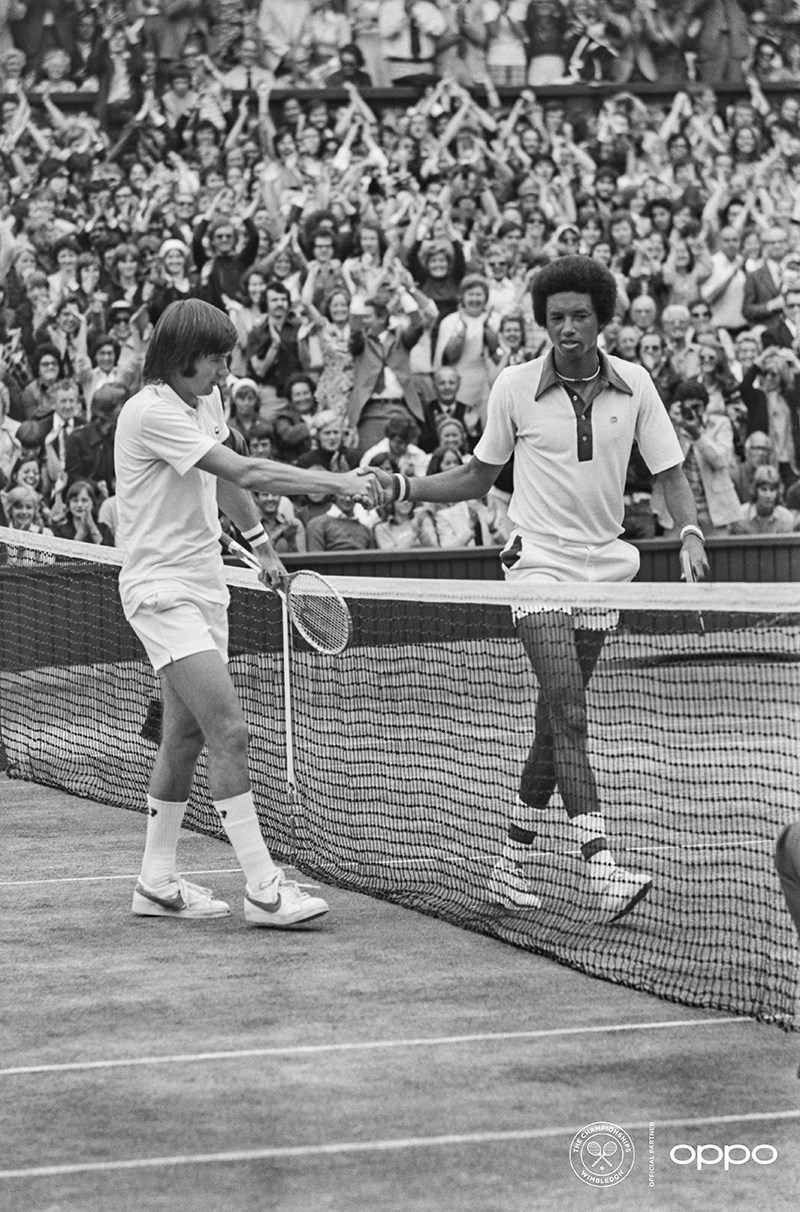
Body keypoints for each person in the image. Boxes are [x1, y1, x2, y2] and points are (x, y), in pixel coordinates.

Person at [365, 256, 707, 923]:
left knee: (557, 719)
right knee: (572, 712)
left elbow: (670, 473)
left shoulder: (636, 386)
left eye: (580, 315)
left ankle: (509, 865)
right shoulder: (515, 387)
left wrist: (690, 532)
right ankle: (602, 869)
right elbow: (473, 479)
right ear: (543, 322)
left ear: (601, 318)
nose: (569, 328)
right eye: (556, 318)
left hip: (604, 567)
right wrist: (405, 487)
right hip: (539, 563)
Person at [114, 299, 379, 928]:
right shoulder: (149, 411)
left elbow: (224, 477)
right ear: (183, 358)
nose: (225, 372)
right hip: (162, 592)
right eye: (216, 359)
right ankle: (264, 889)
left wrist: (262, 547)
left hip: (207, 586)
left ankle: (155, 882)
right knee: (230, 731)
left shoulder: (203, 401)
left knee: (182, 734)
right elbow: (246, 467)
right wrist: (339, 482)